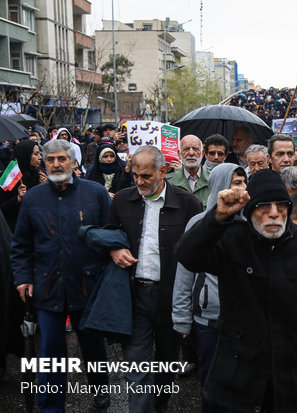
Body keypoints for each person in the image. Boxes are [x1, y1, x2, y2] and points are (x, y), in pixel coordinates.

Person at [175, 168, 297, 412]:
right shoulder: (231, 239)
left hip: (294, 376)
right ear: (250, 209)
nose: (274, 214)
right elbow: (187, 255)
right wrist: (217, 218)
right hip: (237, 373)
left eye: (281, 205)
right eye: (264, 206)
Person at [11, 139, 111, 411]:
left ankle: (101, 388)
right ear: (45, 162)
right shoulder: (33, 198)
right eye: (50, 159)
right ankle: (51, 404)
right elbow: (20, 244)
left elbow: (111, 235)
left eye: (61, 159)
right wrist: (22, 278)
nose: (56, 164)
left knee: (93, 345)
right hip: (47, 289)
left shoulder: (96, 194)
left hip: (88, 287)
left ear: (72, 161)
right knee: (51, 352)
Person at [109, 145, 202, 412]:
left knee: (166, 362)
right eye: (135, 175)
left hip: (170, 298)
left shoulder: (187, 204)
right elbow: (107, 233)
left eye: (146, 176)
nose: (139, 181)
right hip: (135, 295)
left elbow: (196, 252)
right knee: (136, 365)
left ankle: (159, 405)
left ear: (162, 172)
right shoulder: (122, 200)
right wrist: (114, 248)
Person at [172, 162, 247, 413]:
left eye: (243, 182)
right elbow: (185, 273)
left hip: (242, 319)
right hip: (208, 319)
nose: (241, 188)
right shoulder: (199, 221)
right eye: (236, 183)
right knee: (211, 383)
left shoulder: (249, 220)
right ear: (219, 185)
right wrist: (181, 317)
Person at [0, 140, 46, 231]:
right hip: (16, 229)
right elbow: (2, 208)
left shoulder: (39, 175)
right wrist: (18, 199)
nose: (40, 157)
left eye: (39, 154)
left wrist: (45, 187)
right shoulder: (10, 177)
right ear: (25, 155)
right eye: (36, 154)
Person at [167, 134, 211, 210]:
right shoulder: (167, 182)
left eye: (195, 149)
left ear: (203, 153)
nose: (191, 153)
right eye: (186, 149)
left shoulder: (212, 180)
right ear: (179, 154)